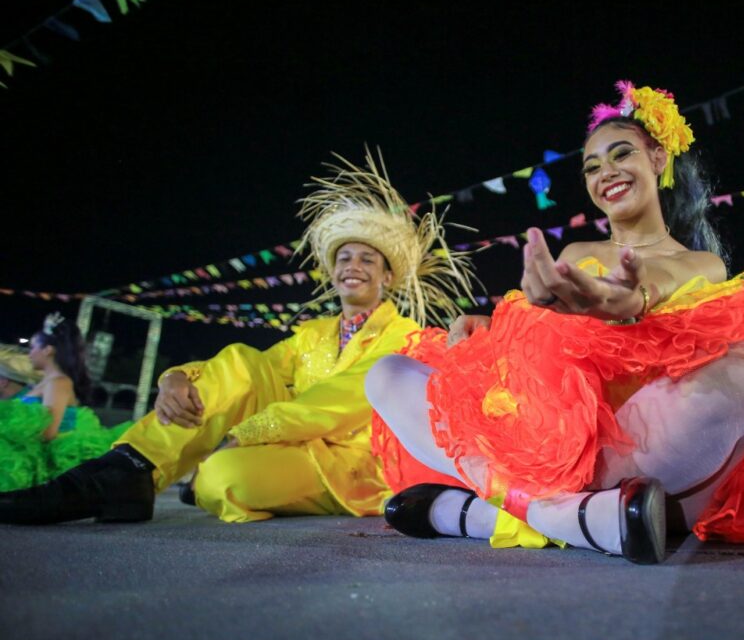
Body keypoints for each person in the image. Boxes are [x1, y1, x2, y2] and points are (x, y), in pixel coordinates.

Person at [368, 82, 744, 563]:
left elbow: (647, 289)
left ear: (658, 158)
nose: (605, 173)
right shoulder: (578, 252)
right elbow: (533, 353)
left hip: (638, 451)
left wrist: (623, 301)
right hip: (545, 440)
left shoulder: (701, 264)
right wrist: (492, 327)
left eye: (621, 154)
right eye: (592, 167)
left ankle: (477, 514)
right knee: (387, 375)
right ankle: (581, 520)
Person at [0, 150, 475, 524]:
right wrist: (176, 378)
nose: (354, 266)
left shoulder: (405, 335)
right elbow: (244, 372)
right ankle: (128, 468)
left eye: (368, 259)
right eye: (345, 258)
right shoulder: (310, 335)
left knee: (219, 479)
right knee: (245, 358)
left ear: (388, 277)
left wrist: (244, 434)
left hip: (349, 465)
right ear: (332, 272)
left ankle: (143, 476)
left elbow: (336, 402)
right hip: (287, 443)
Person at [0, 314, 131, 492]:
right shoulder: (45, 382)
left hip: (50, 460)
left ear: (48, 350)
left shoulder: (59, 382)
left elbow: (49, 432)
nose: (30, 354)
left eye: (33, 347)